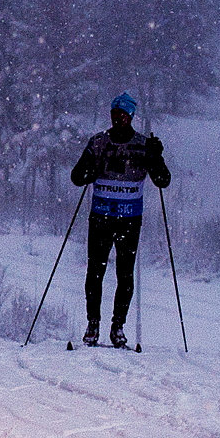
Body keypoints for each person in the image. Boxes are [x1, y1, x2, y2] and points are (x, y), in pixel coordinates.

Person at [69, 94, 170, 348]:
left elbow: (162, 181)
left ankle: (117, 327)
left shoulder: (143, 145)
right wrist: (90, 171)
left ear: (131, 116)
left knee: (124, 275)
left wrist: (156, 156)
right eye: (115, 115)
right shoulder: (99, 142)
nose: (118, 120)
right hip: (101, 217)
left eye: (123, 115)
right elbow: (76, 177)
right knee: (95, 272)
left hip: (129, 219)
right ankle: (93, 325)